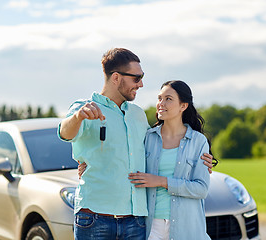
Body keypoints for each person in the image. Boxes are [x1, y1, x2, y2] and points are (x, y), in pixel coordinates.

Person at [58, 48, 213, 240]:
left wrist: (202, 160)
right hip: (95, 218)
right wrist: (78, 116)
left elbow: (154, 152)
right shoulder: (85, 107)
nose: (141, 84)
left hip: (135, 221)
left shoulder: (138, 115)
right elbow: (65, 133)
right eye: (136, 78)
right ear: (116, 78)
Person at [128, 80, 214, 240]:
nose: (161, 103)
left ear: (183, 106)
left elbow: (201, 189)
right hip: (151, 227)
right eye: (159, 98)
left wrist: (161, 181)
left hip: (187, 226)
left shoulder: (198, 141)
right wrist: (87, 163)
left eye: (168, 99)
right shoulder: (148, 138)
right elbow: (126, 161)